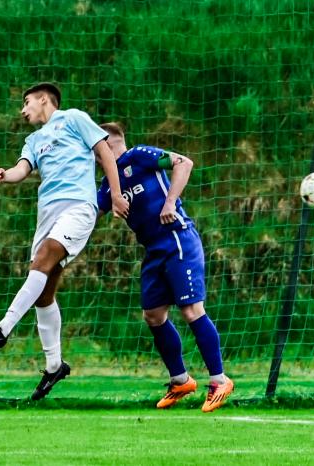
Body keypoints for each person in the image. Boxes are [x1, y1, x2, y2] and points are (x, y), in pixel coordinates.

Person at [0, 83, 129, 400]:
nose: (23, 110)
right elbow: (21, 170)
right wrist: (4, 174)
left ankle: (2, 329)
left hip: (78, 207)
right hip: (47, 214)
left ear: (44, 99)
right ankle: (55, 365)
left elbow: (104, 152)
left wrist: (115, 194)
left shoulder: (74, 118)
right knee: (44, 293)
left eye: (26, 102)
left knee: (43, 258)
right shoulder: (33, 140)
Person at [96, 122, 233, 413]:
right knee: (153, 315)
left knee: (191, 310)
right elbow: (92, 213)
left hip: (177, 239)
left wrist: (170, 202)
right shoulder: (109, 184)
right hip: (154, 251)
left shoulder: (139, 156)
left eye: (95, 147)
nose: (93, 154)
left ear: (106, 142)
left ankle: (219, 380)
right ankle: (180, 380)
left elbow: (184, 163)